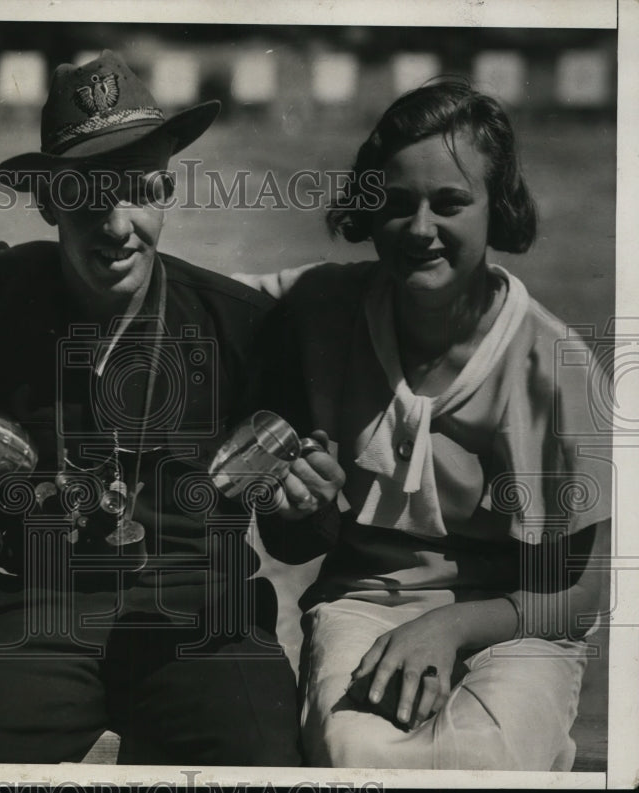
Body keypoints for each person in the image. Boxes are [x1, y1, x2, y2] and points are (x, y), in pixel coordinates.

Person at [0, 50, 343, 766]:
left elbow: (296, 539)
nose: (117, 227)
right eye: (87, 197)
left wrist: (308, 503)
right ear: (48, 202)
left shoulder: (244, 325)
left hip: (206, 618)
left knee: (266, 765)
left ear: (167, 189)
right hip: (37, 614)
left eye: (139, 192)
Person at [251, 80, 612, 770]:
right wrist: (23, 271)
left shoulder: (553, 367)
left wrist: (449, 626)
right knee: (356, 747)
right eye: (394, 204)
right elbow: (198, 297)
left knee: (484, 756)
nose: (420, 229)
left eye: (449, 203)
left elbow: (577, 594)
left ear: (496, 207)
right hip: (363, 603)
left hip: (515, 620)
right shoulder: (324, 304)